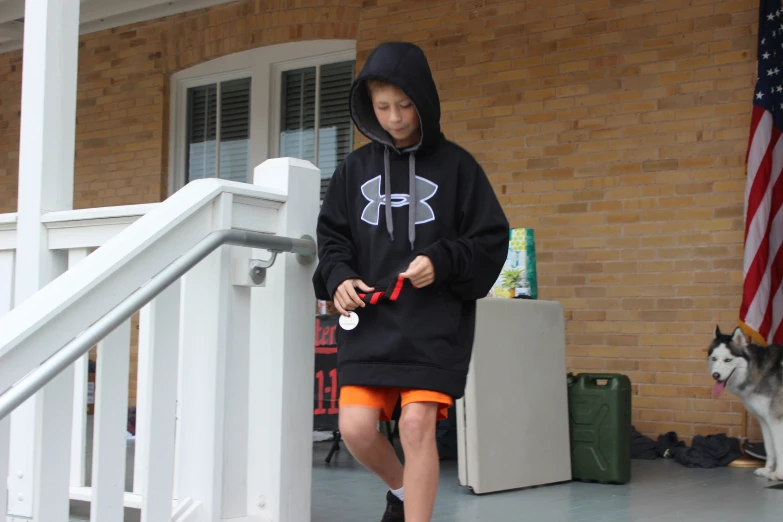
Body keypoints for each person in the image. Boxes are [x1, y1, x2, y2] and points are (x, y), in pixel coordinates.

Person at [312, 41, 510, 522]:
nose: (395, 117)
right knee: (357, 429)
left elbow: (489, 239)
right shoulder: (353, 170)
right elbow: (332, 237)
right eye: (383, 107)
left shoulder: (459, 167)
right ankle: (404, 494)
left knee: (417, 425)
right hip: (372, 320)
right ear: (368, 106)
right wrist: (338, 278)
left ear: (424, 102)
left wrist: (441, 260)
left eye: (405, 106)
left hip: (432, 322)